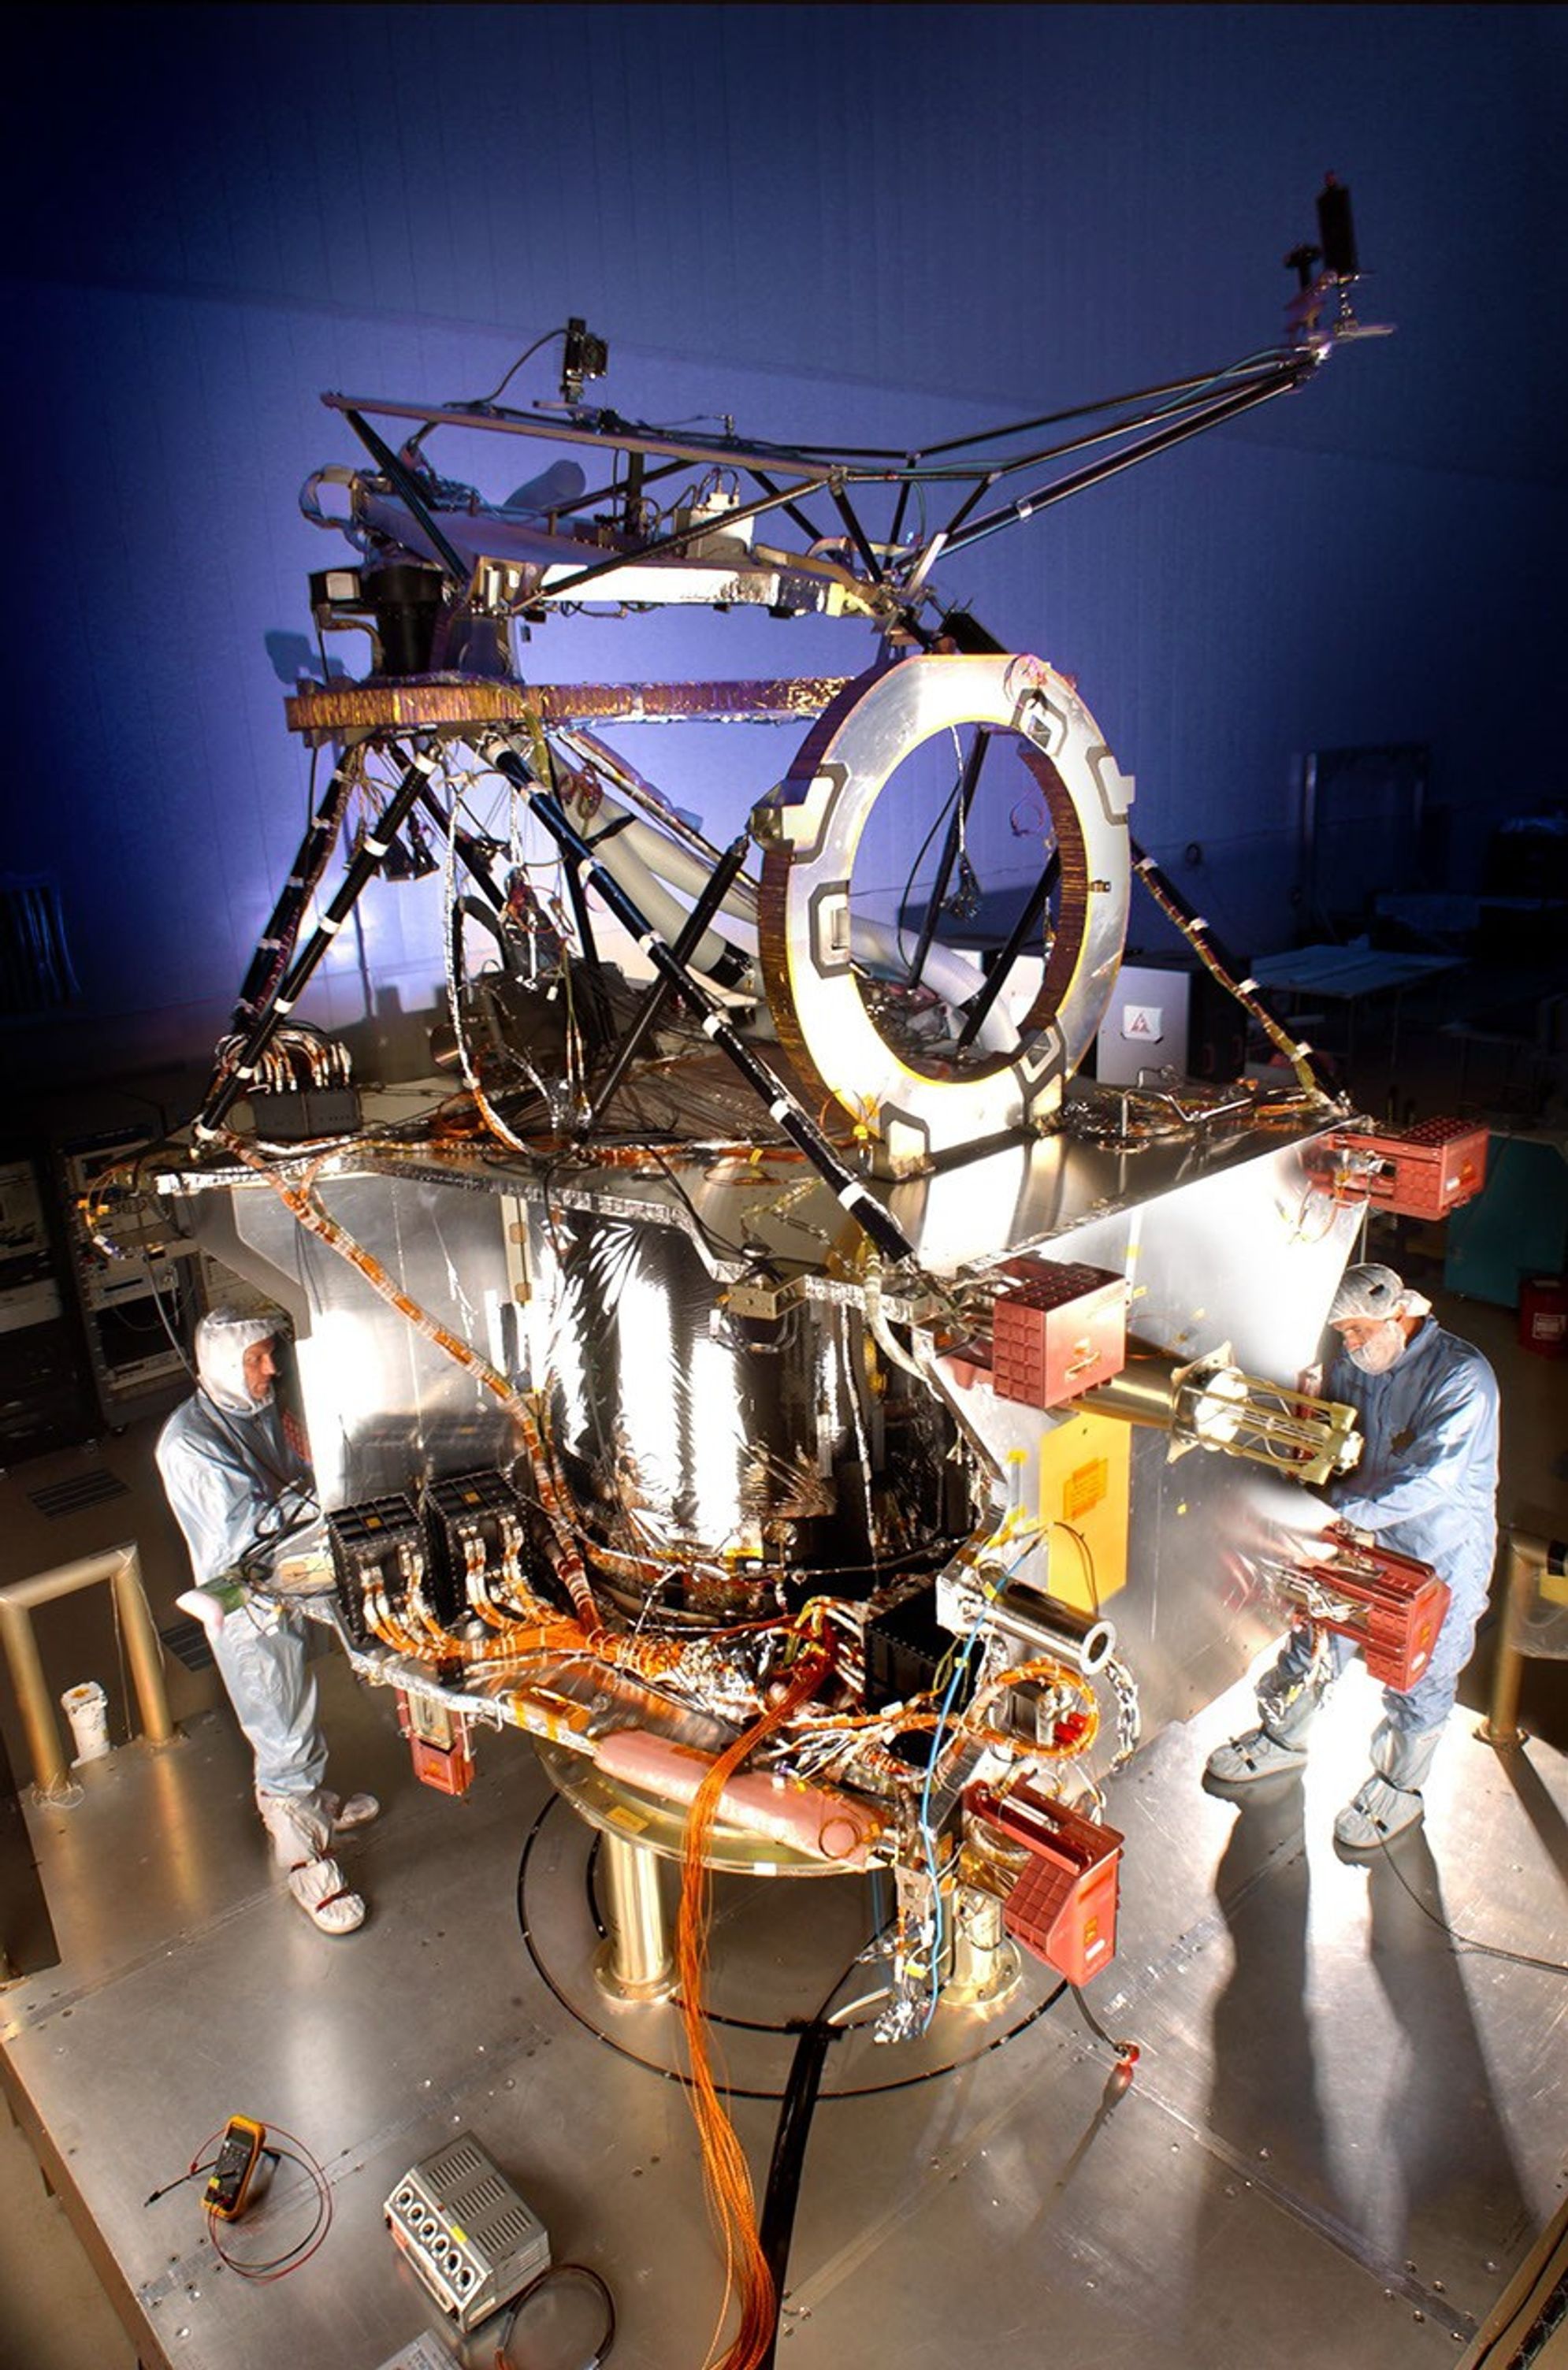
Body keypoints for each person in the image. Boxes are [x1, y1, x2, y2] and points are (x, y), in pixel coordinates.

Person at [1206, 1261, 1499, 1850]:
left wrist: (1338, 1516)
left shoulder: (1463, 1379)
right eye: (1344, 1334)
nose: (1352, 1344)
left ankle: (1399, 1789)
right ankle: (1283, 1739)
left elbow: (1430, 1481)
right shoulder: (1358, 1363)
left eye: (1359, 1331)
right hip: (1357, 1538)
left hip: (1438, 1551)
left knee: (1420, 1670)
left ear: (1400, 1313)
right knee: (1317, 1635)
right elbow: (1333, 1433)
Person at [157, 1308, 377, 1933]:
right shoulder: (190, 1441)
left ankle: (312, 1802)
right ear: (223, 1363)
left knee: (299, 1698)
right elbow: (246, 1538)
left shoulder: (256, 1410)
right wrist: (330, 1481)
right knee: (277, 1718)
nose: (270, 1368)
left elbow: (289, 1476)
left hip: (291, 1580)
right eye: (255, 1359)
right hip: (246, 1603)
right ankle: (302, 1850)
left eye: (268, 1354)